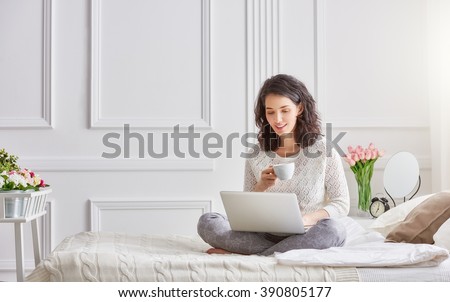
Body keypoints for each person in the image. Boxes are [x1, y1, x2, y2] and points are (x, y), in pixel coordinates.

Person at [197, 74, 350, 256]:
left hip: (307, 234)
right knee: (207, 221)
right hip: (263, 235)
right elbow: (246, 210)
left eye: (284, 110)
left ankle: (253, 255)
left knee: (334, 231)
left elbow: (341, 203)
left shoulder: (323, 149)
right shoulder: (256, 152)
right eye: (270, 112)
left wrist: (307, 219)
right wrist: (261, 186)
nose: (277, 119)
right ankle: (275, 253)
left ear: (299, 108)